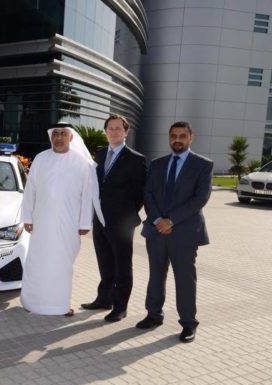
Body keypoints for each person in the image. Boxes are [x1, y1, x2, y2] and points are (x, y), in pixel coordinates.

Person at [136, 121, 213, 343]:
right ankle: (153, 315)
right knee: (156, 275)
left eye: (182, 136)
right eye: (173, 136)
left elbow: (200, 199)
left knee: (185, 279)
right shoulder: (158, 164)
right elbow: (148, 193)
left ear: (191, 137)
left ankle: (189, 323)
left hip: (185, 232)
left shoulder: (203, 165)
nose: (177, 140)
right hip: (156, 230)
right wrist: (159, 219)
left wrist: (171, 221)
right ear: (168, 138)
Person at [20, 122, 104, 316]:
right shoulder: (41, 159)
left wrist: (84, 223)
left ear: (71, 137)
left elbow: (87, 195)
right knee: (37, 263)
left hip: (69, 224)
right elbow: (30, 190)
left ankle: (59, 306)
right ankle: (33, 303)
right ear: (51, 137)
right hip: (41, 223)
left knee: (62, 265)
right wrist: (27, 217)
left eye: (63, 134)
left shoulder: (81, 162)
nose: (59, 137)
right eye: (55, 134)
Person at [81, 115, 147, 322]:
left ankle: (120, 307)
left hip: (122, 223)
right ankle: (104, 299)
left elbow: (140, 194)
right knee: (104, 262)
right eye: (110, 128)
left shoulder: (136, 159)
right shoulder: (100, 154)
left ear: (126, 132)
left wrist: (125, 215)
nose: (114, 132)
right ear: (106, 131)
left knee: (122, 265)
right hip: (99, 220)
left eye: (119, 128)